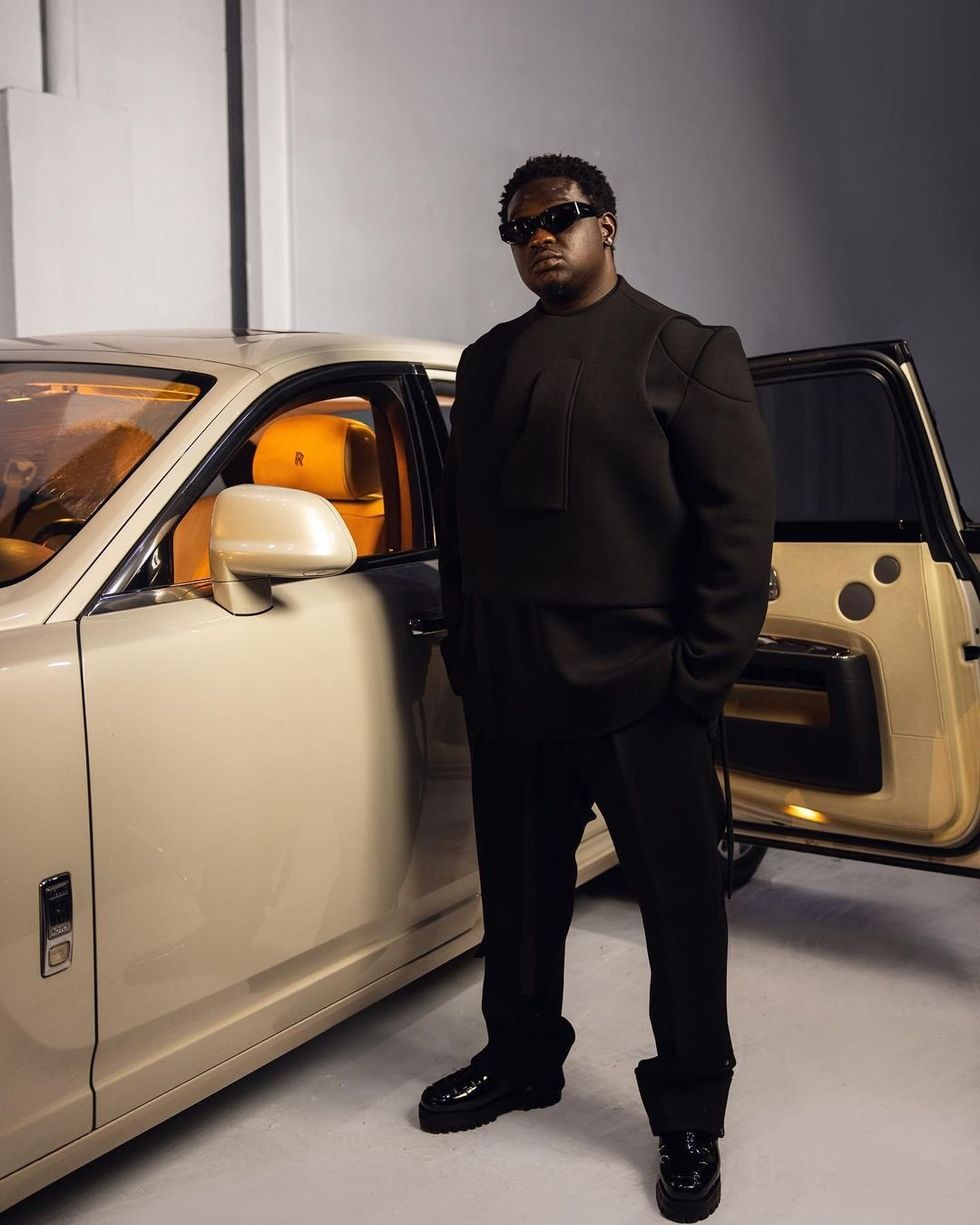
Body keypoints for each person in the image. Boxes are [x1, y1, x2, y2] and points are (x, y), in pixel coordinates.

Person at [418, 152, 775, 1222]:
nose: (540, 236)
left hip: (639, 690)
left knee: (679, 912)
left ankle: (687, 1117)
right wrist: (473, 656)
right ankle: (522, 1061)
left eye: (561, 217)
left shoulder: (684, 350)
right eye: (520, 226)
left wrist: (693, 680)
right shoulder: (484, 364)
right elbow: (462, 528)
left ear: (606, 225)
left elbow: (736, 534)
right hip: (514, 686)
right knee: (519, 903)